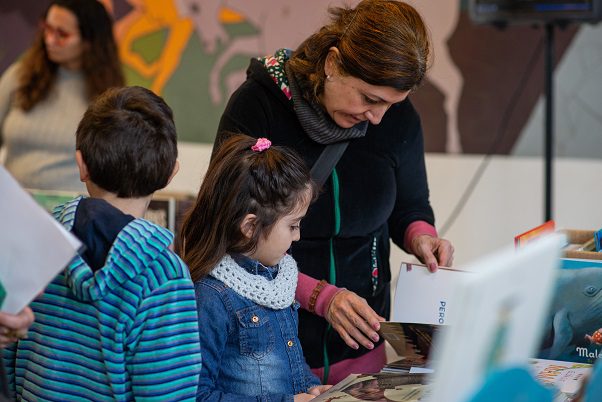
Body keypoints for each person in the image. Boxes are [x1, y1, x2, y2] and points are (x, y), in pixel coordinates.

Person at [214, 0, 454, 384]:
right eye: (369, 99)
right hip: (268, 349)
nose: (376, 118)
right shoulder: (258, 105)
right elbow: (229, 230)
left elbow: (410, 205)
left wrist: (422, 237)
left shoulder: (397, 120)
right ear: (332, 63)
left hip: (363, 343)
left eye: (391, 105)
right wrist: (321, 298)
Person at [2, 86, 202, 401]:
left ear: (81, 164)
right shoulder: (164, 275)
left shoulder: (36, 244)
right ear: (170, 171)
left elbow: (8, 362)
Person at [180, 134, 332, 401]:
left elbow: (290, 359)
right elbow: (197, 395)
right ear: (250, 227)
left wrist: (310, 387)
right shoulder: (210, 296)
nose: (297, 236)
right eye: (292, 225)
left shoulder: (279, 280)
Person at [0, 0, 124, 192]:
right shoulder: (20, 76)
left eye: (62, 34)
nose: (50, 39)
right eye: (47, 29)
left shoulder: (109, 96)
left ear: (89, 41)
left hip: (73, 214)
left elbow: (114, 169)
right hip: (13, 205)